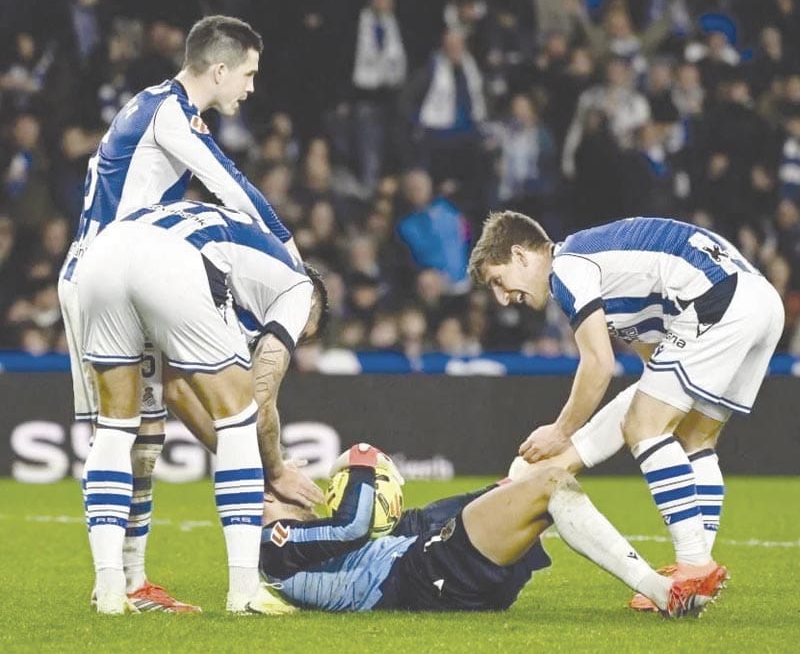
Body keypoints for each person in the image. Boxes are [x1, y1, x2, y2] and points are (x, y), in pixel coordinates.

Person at [57, 15, 318, 613]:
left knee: (137, 436)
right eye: (247, 75)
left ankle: (124, 584)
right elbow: (231, 183)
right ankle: (206, 586)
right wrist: (288, 249)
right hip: (117, 268)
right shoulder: (169, 111)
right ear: (219, 69)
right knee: (128, 430)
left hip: (98, 270)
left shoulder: (147, 105)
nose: (250, 89)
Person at [468, 211, 783, 608]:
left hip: (719, 302)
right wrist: (572, 454)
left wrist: (561, 434)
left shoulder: (566, 268)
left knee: (645, 427)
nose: (501, 297)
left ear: (521, 254)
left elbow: (598, 365)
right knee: (695, 439)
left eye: (498, 280)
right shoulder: (609, 277)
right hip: (761, 302)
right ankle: (697, 585)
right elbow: (650, 376)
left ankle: (694, 565)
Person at [76, 200, 328, 614]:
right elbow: (260, 401)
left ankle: (108, 589)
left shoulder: (239, 269)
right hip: (171, 261)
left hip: (103, 252)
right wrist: (276, 471)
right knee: (238, 415)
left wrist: (255, 468)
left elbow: (177, 392)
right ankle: (245, 593)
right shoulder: (299, 291)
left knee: (116, 427)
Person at [255, 443, 726, 617]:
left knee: (533, 471)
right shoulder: (271, 549)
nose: (297, 489)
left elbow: (416, 522)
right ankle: (664, 592)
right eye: (273, 490)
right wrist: (358, 456)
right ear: (266, 505)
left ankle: (675, 591)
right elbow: (356, 524)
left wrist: (499, 489)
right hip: (426, 575)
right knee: (550, 484)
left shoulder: (305, 547)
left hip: (430, 566)